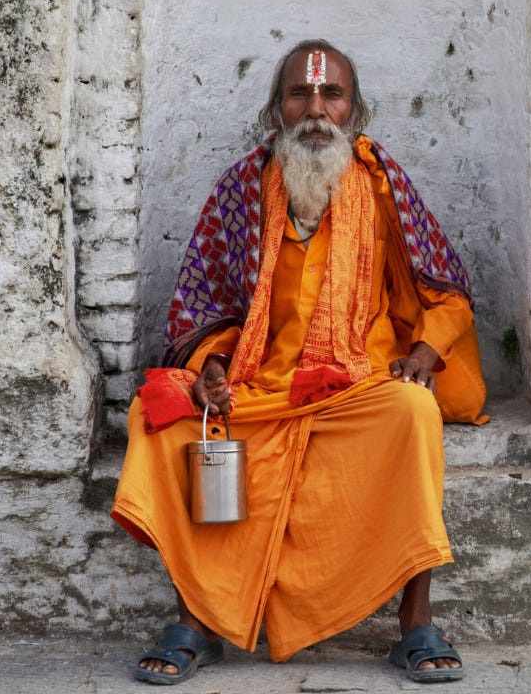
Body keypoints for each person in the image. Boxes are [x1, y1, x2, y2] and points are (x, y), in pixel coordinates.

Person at [111, 39, 488, 685]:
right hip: (257, 384)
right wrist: (210, 368)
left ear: (354, 108)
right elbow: (206, 302)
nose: (316, 108)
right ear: (276, 109)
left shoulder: (384, 185)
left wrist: (424, 352)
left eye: (331, 94)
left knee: (412, 410)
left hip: (356, 384)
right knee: (160, 413)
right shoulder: (241, 190)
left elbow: (443, 291)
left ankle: (416, 622)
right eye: (300, 93)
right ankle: (193, 620)